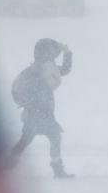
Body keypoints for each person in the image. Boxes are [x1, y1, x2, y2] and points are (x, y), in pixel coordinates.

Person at [9, 38, 74, 178]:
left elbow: (64, 70)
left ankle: (7, 165)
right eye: (52, 51)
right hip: (39, 112)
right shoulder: (39, 68)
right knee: (53, 138)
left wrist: (67, 53)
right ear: (46, 52)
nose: (54, 54)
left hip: (38, 112)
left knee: (27, 140)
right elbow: (61, 72)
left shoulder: (42, 67)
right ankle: (57, 170)